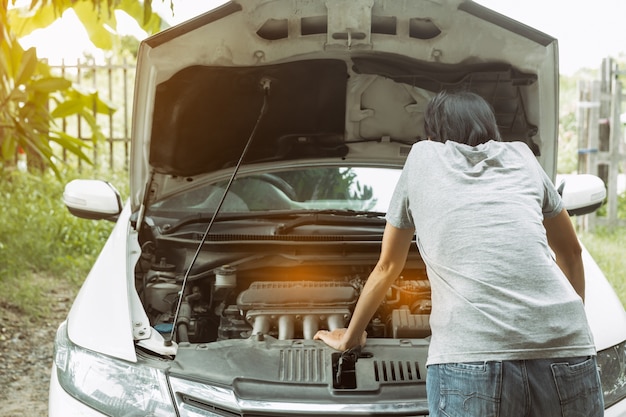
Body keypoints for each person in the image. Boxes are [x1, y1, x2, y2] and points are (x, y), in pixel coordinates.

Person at [314, 90, 604, 416]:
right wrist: (571, 331)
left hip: (472, 359)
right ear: (491, 127)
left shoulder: (423, 156)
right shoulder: (523, 155)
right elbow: (571, 251)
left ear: (431, 134)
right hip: (569, 350)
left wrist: (351, 337)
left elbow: (387, 267)